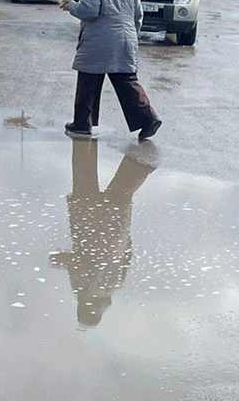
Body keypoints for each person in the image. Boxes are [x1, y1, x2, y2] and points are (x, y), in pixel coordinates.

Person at [50, 139, 158, 327]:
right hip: (90, 225)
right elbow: (81, 264)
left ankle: (142, 163)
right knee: (85, 177)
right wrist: (59, 259)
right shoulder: (84, 290)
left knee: (120, 194)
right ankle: (87, 141)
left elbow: (127, 255)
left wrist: (125, 236)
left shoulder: (114, 287)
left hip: (116, 232)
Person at [61, 0, 161, 141]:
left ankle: (82, 124)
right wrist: (131, 36)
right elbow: (138, 16)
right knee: (126, 80)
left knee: (89, 80)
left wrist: (71, 6)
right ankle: (148, 118)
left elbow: (89, 10)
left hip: (100, 40)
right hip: (127, 39)